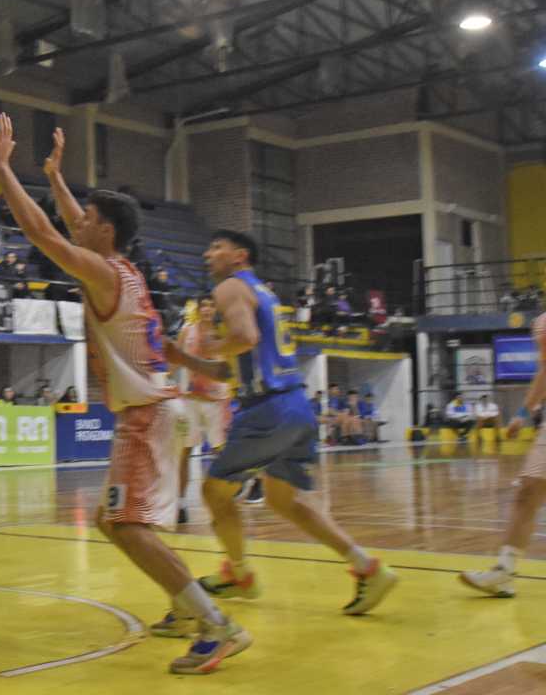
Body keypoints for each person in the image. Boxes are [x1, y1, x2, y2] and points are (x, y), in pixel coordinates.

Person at [0, 115, 248, 674]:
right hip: (158, 408)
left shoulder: (105, 273)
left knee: (125, 525)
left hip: (148, 415)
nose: (79, 221)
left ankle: (216, 625)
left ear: (104, 231)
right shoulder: (122, 269)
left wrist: (6, 171)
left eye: (88, 218)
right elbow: (69, 220)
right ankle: (185, 607)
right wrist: (56, 175)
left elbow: (44, 233)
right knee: (120, 523)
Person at [164, 229, 398, 623]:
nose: (207, 254)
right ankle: (367, 568)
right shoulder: (263, 292)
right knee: (284, 501)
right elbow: (232, 365)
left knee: (214, 492)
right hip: (295, 406)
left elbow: (243, 337)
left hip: (267, 409)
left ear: (239, 256)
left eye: (216, 247)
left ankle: (240, 574)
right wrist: (186, 361)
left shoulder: (230, 288)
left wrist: (207, 345)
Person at [461, 311, 546, 597]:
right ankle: (504, 572)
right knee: (528, 488)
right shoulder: (544, 323)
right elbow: (545, 370)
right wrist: (524, 412)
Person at [175, 296, 231, 525]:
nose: (207, 309)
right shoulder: (187, 331)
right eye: (203, 306)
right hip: (190, 400)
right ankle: (180, 504)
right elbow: (173, 358)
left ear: (215, 309)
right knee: (185, 452)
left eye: (211, 305)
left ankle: (226, 498)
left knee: (221, 453)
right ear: (198, 309)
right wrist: (158, 377)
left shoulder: (223, 333)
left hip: (216, 401)